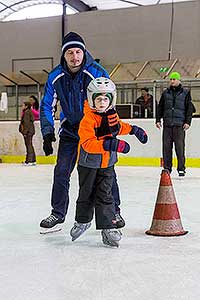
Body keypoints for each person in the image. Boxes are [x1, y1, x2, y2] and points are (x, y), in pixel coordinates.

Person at [40, 32, 125, 233]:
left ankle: (115, 211)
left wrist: (109, 129)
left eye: (78, 51)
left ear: (84, 52)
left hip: (96, 132)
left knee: (105, 172)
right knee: (61, 171)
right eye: (70, 52)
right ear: (64, 55)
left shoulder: (96, 71)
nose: (75, 56)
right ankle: (57, 213)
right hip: (70, 131)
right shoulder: (55, 76)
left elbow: (108, 101)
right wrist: (47, 131)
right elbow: (47, 105)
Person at [70, 77, 148, 247]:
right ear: (92, 99)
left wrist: (135, 130)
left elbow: (119, 126)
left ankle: (108, 227)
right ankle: (82, 221)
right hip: (88, 164)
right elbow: (88, 144)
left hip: (107, 163)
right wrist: (111, 144)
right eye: (98, 99)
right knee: (86, 193)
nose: (102, 102)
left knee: (106, 194)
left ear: (111, 99)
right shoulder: (88, 120)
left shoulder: (112, 115)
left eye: (106, 99)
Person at [156, 71, 195, 176]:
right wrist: (158, 119)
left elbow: (189, 108)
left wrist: (187, 122)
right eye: (171, 79)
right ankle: (167, 168)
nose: (172, 81)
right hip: (168, 124)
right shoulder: (165, 93)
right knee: (166, 148)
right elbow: (160, 107)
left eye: (174, 79)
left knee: (180, 147)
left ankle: (181, 168)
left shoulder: (185, 93)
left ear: (178, 80)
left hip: (179, 125)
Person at [19, 101, 36, 166]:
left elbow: (26, 123)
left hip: (28, 131)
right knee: (30, 145)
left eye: (23, 105)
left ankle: (29, 161)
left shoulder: (26, 112)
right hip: (30, 131)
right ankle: (33, 160)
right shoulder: (29, 111)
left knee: (28, 145)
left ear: (26, 106)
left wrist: (25, 132)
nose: (22, 107)